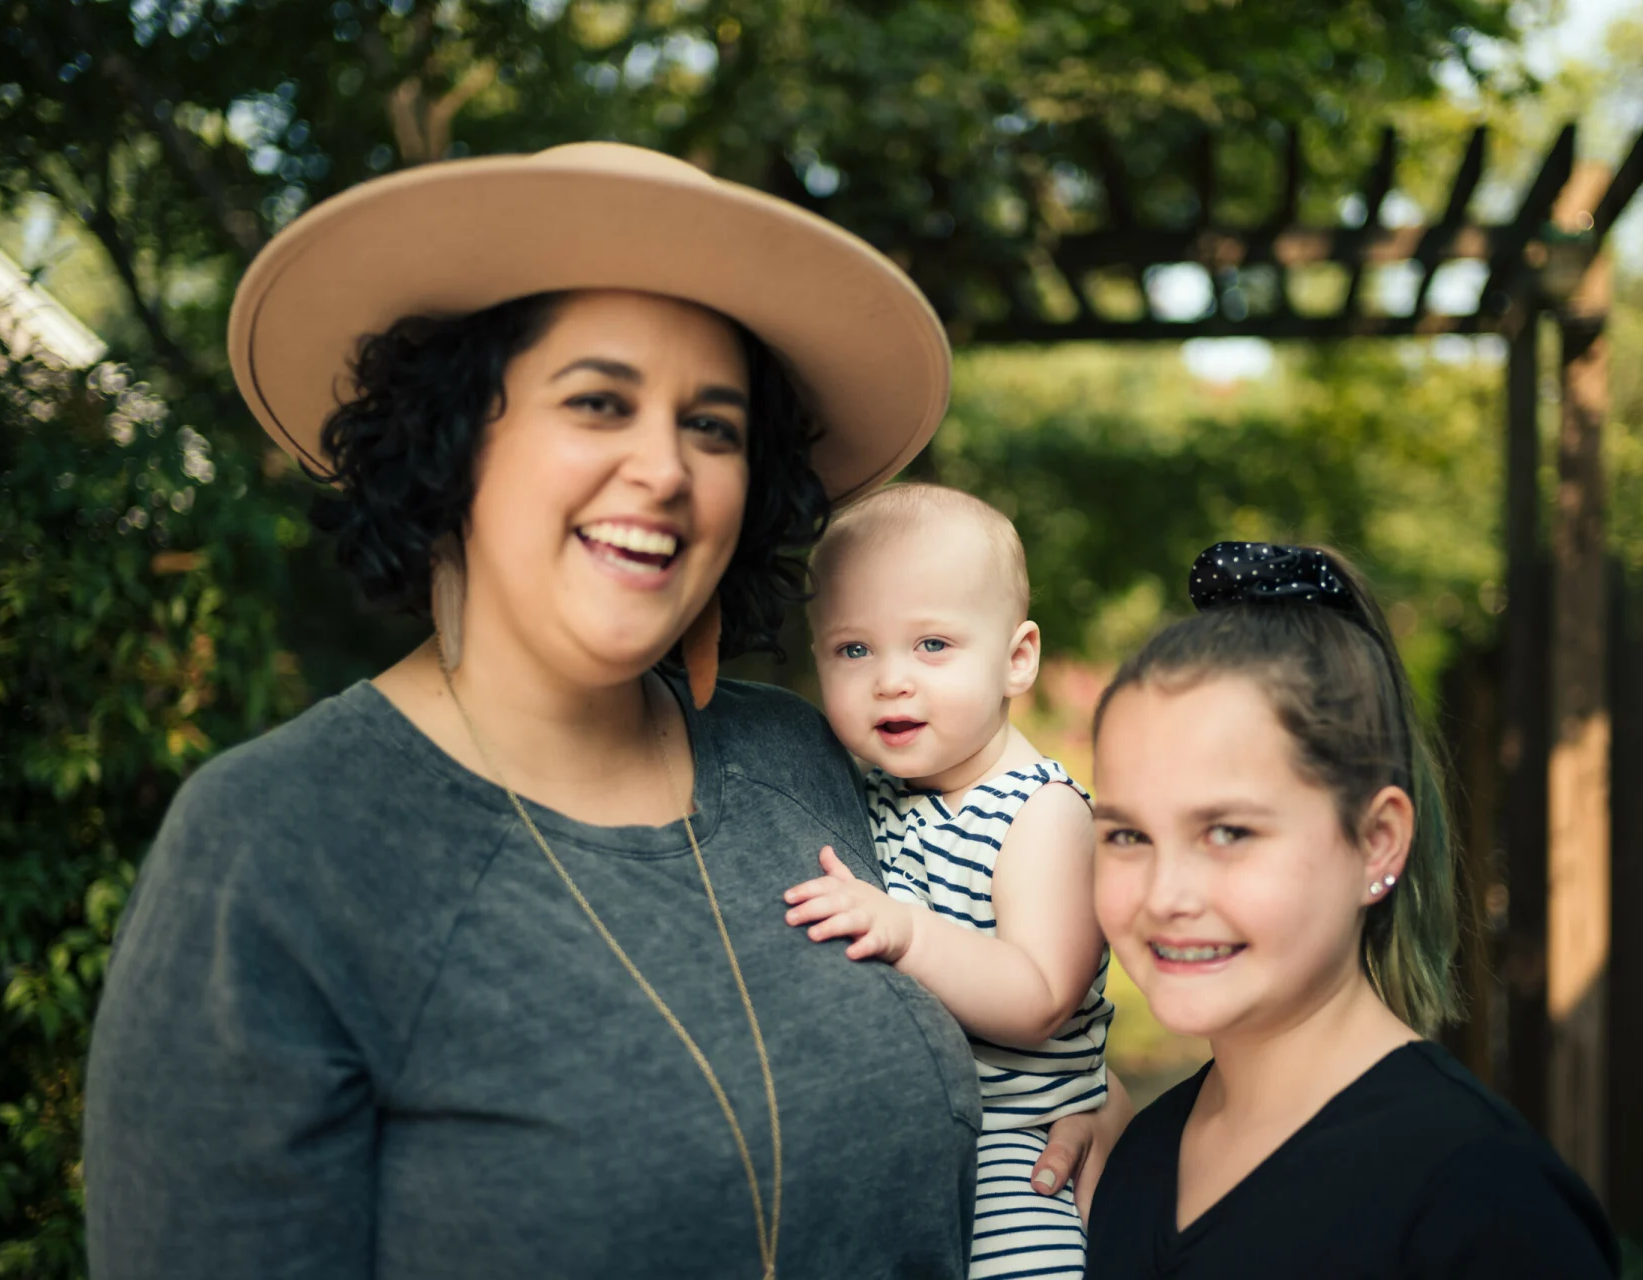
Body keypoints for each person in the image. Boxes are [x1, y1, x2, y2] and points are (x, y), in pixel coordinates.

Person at [81, 143, 1123, 1280]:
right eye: (598, 402)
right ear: (452, 438)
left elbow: (966, 1009)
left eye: (712, 425)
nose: (664, 469)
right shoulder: (275, 843)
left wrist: (1085, 1102)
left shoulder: (803, 756)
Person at [1083, 543, 1621, 1279]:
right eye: (1127, 836)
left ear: (1376, 843)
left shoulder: (1485, 1198)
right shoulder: (1132, 1160)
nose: (1164, 896)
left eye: (1228, 832)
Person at [782, 483, 1118, 1279]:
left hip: (1014, 1144)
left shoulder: (1041, 813)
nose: (890, 680)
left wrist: (905, 931)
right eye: (853, 650)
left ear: (1017, 659)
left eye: (932, 645)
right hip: (896, 1139)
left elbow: (1040, 996)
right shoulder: (869, 792)